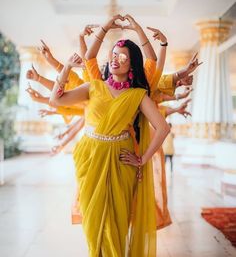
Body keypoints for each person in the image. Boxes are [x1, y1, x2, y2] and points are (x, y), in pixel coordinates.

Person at [49, 14, 170, 257]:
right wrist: (66, 69)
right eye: (114, 54)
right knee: (93, 225)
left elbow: (163, 128)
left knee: (116, 222)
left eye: (123, 57)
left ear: (132, 65)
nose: (116, 59)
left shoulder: (138, 95)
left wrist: (143, 158)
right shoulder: (94, 86)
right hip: (90, 157)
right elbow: (56, 100)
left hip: (120, 160)